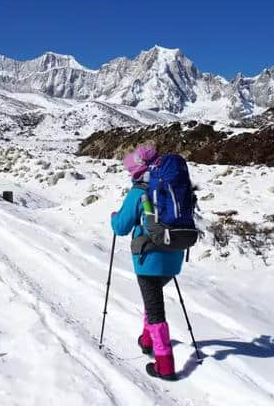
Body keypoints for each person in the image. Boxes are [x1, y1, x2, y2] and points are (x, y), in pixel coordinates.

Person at [110, 145, 184, 381]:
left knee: (155, 309)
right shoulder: (172, 186)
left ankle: (165, 364)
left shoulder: (139, 191)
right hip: (175, 253)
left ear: (136, 170)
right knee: (152, 300)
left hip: (148, 257)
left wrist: (113, 217)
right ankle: (146, 339)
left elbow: (121, 227)